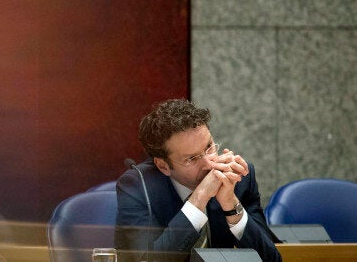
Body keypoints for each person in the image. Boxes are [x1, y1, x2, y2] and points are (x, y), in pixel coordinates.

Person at [114, 99, 281, 262]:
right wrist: (199, 197)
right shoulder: (137, 186)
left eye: (209, 147)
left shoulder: (238, 178)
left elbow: (271, 259)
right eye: (192, 158)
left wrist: (231, 205)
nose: (209, 163)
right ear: (163, 166)